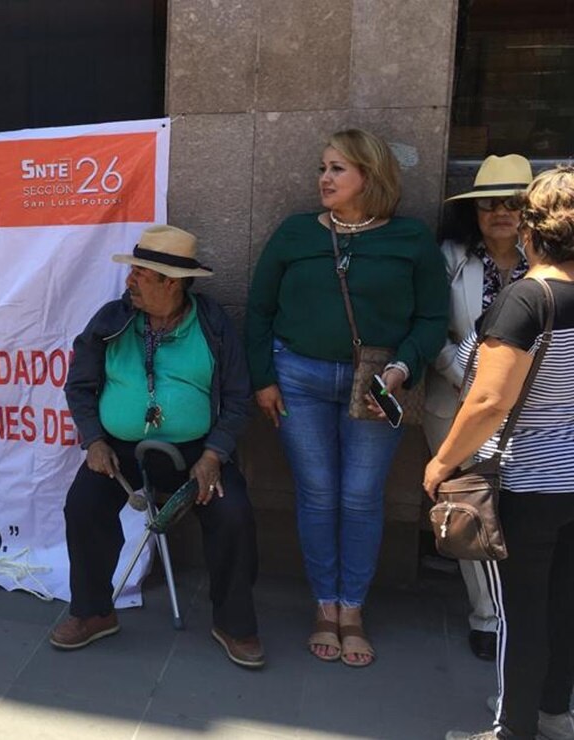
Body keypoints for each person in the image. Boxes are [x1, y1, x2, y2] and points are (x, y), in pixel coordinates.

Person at [245, 129, 447, 667]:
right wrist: (264, 378)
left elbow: (432, 318)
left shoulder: (410, 239)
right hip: (299, 379)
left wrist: (404, 368)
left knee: (360, 497)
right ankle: (325, 606)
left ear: (370, 175)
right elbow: (259, 309)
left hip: (378, 386)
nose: (324, 178)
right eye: (322, 168)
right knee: (317, 495)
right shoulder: (293, 234)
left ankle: (353, 610)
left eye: (338, 168)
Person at [51, 224, 262, 669]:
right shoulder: (113, 319)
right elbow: (80, 384)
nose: (130, 282)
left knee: (233, 513)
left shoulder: (213, 325)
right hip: (119, 452)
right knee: (83, 505)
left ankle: (234, 622)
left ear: (171, 283)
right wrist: (92, 439)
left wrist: (213, 455)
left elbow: (239, 398)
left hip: (196, 454)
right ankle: (93, 612)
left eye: (140, 274)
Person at [430, 165, 574, 740]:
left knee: (520, 614)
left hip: (527, 484)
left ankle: (510, 729)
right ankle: (555, 714)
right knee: (563, 607)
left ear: (530, 231)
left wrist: (442, 463)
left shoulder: (525, 299)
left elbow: (487, 398)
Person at [423, 154, 533, 662]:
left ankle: (526, 614)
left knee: (525, 515)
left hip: (537, 412)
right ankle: (487, 617)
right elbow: (429, 326)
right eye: (488, 205)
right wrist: (468, 376)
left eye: (513, 203)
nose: (500, 213)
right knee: (469, 509)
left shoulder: (551, 264)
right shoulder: (451, 257)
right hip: (458, 403)